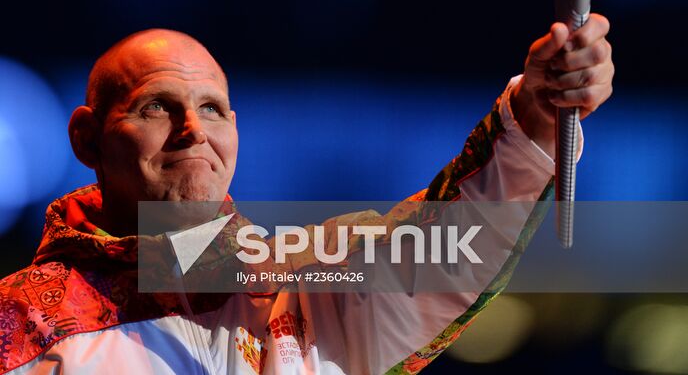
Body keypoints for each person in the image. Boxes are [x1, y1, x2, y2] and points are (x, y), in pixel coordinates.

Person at [0, 18, 613, 374]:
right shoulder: (19, 326)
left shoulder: (302, 294)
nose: (193, 131)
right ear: (87, 137)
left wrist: (534, 114)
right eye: (156, 106)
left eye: (212, 108)